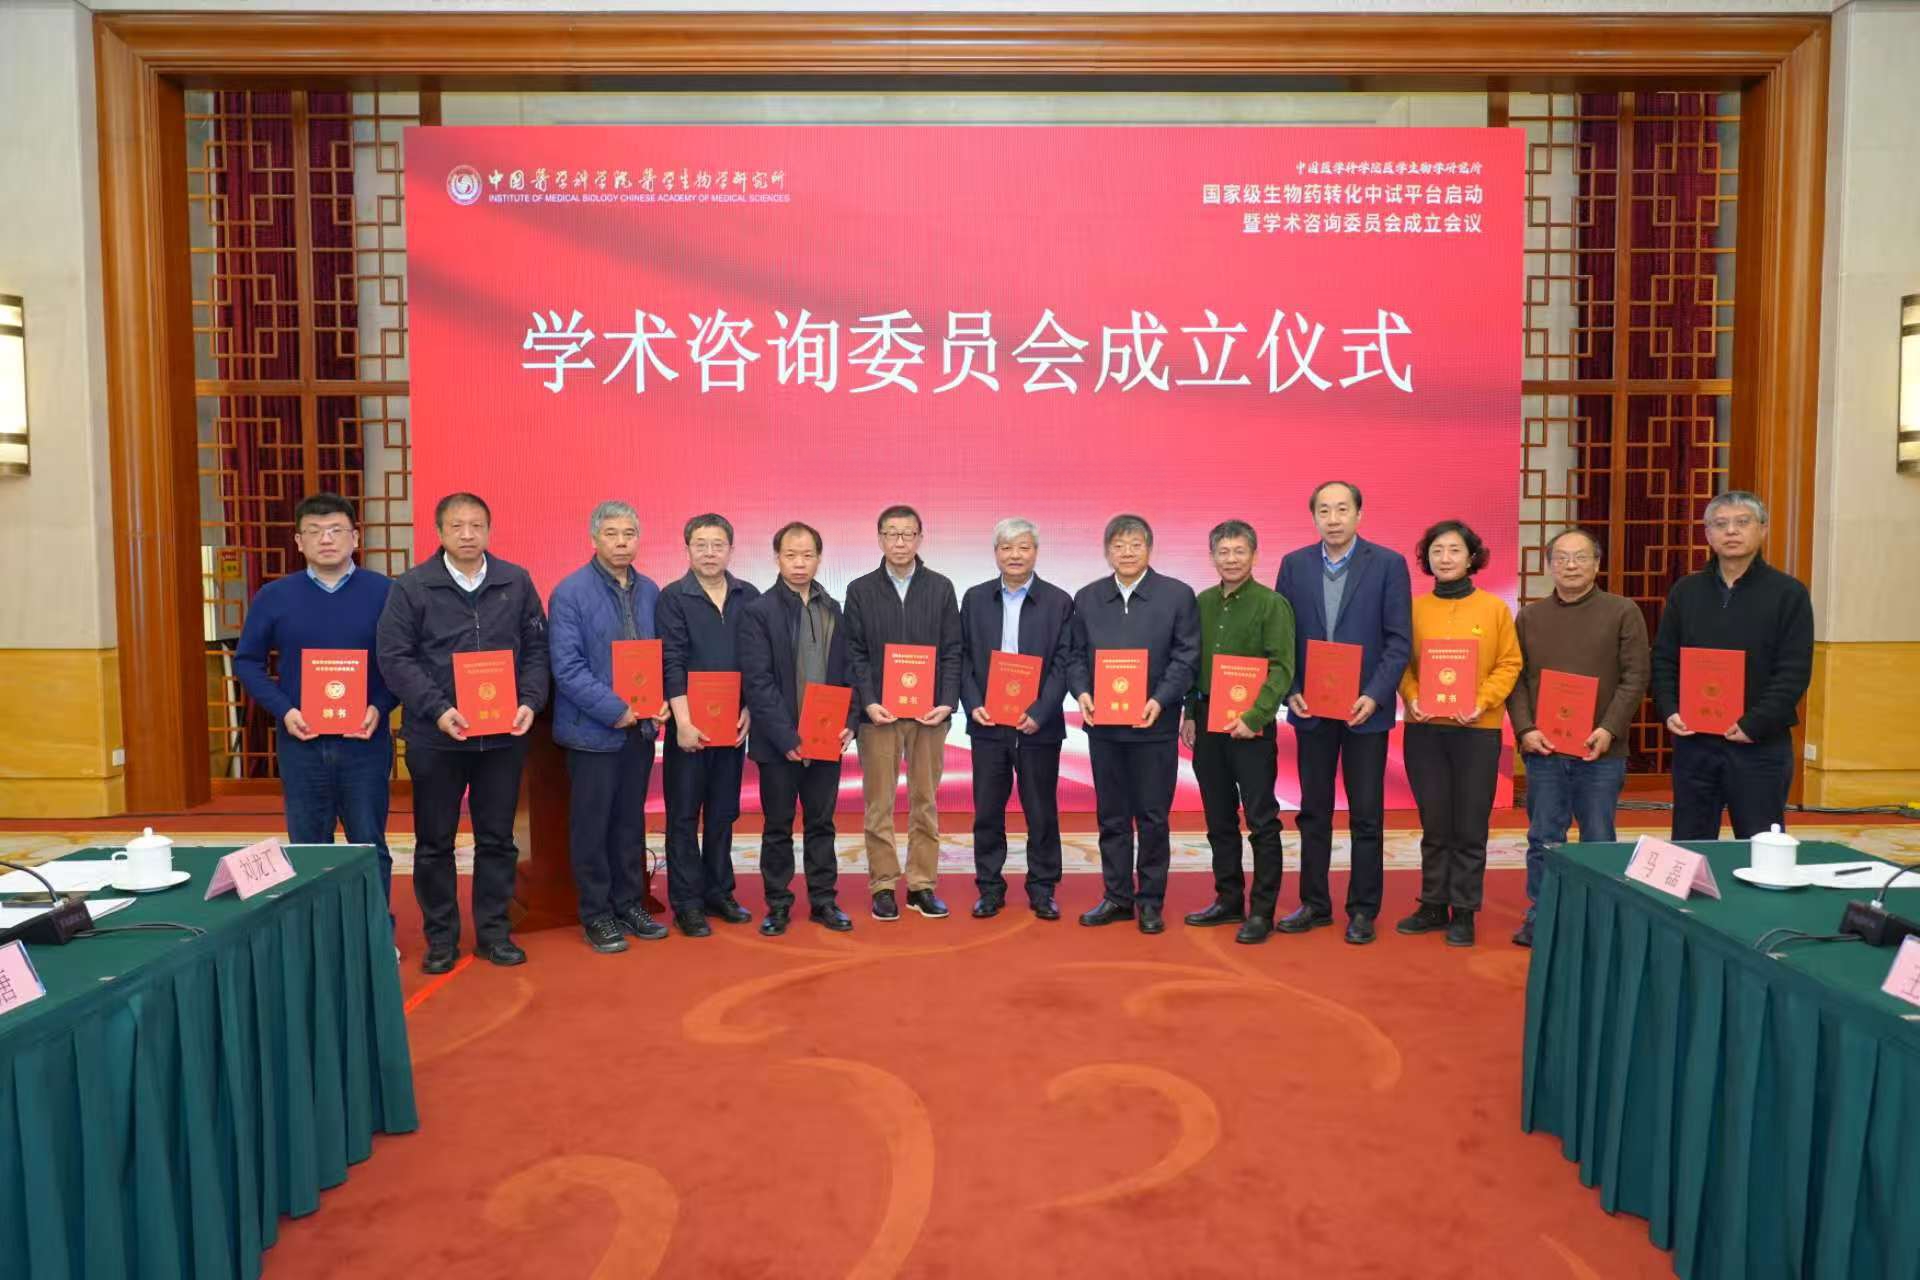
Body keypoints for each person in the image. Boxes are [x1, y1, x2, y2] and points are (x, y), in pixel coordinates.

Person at [376, 492, 549, 973]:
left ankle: (494, 933)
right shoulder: (412, 586)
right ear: (440, 532)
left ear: (489, 530)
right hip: (437, 737)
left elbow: (538, 648)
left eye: (476, 526)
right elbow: (395, 657)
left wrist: (530, 700)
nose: (468, 534)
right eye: (457, 526)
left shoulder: (515, 580)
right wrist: (438, 709)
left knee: (498, 840)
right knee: (435, 842)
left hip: (502, 737)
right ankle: (441, 938)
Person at [233, 493, 400, 948]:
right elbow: (247, 661)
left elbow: (403, 660)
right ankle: (316, 942)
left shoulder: (385, 593)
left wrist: (379, 706)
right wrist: (284, 709)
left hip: (364, 743)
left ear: (355, 537)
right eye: (314, 531)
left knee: (369, 845)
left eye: (336, 530)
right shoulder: (275, 596)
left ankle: (375, 936)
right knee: (308, 847)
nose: (326, 539)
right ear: (298, 541)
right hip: (301, 742)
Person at [1273, 480, 1412, 945]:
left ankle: (1363, 909)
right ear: (1314, 517)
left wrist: (1375, 695)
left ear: (1359, 514)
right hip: (1311, 708)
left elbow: (1398, 641)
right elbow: (1281, 637)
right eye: (1324, 511)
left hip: (1364, 712)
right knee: (1313, 811)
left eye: (1342, 510)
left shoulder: (1388, 565)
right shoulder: (1294, 565)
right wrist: (1290, 689)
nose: (1333, 519)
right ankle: (1314, 903)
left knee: (1366, 814)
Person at [1505, 528, 1649, 948]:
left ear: (1596, 564)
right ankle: (1543, 913)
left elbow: (1635, 677)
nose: (1571, 565)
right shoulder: (1530, 617)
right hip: (1544, 750)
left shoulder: (1622, 611)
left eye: (1580, 557)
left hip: (1601, 751)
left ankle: (1599, 920)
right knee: (1543, 838)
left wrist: (1608, 729)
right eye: (1562, 558)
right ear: (1549, 565)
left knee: (1598, 839)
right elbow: (1517, 680)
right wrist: (1526, 729)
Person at [1651, 490, 1814, 841]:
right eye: (1720, 524)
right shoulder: (1686, 591)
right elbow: (1664, 659)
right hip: (1695, 741)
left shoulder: (1788, 593)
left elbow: (1794, 672)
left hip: (1759, 743)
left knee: (1760, 843)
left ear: (1762, 529)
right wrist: (1670, 709)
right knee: (1690, 840)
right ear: (1708, 534)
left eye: (1742, 522)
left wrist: (1754, 724)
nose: (1731, 531)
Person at [547, 500, 672, 955]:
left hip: (639, 732)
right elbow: (567, 666)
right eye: (612, 534)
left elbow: (660, 656)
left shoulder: (651, 590)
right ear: (594, 539)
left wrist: (661, 701)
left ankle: (630, 903)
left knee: (628, 824)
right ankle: (596, 913)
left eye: (629, 534)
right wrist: (615, 709)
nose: (622, 543)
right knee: (592, 826)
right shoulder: (570, 593)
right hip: (592, 732)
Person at [1068, 514, 1200, 934]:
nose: (1127, 552)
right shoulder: (1088, 598)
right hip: (1104, 728)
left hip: (1154, 728)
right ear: (1107, 551)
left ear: (1149, 549)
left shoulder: (1176, 595)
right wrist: (1081, 692)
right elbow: (1074, 656)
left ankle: (1151, 901)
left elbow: (1186, 657)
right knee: (1112, 816)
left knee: (1152, 816)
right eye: (1118, 545)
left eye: (1135, 544)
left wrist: (1160, 700)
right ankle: (1117, 896)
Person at [1392, 520, 1522, 948]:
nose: (1445, 558)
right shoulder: (1413, 609)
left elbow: (1510, 663)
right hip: (1425, 731)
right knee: (1434, 822)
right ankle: (1432, 903)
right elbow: (1401, 663)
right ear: (1426, 559)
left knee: (1469, 824)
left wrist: (1482, 701)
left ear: (1471, 558)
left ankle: (1464, 910)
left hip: (1477, 731)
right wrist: (1412, 697)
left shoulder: (1494, 609)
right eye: (1437, 551)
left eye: (1454, 550)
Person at [738, 521, 861, 936]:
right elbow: (757, 682)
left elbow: (849, 671)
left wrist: (850, 722)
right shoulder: (759, 611)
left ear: (819, 559)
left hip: (827, 739)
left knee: (822, 824)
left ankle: (824, 901)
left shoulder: (833, 608)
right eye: (790, 555)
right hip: (779, 744)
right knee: (778, 826)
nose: (799, 563)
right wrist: (786, 737)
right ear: (777, 558)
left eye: (807, 555)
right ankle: (778, 904)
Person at [844, 504, 964, 922]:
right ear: (880, 539)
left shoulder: (941, 588)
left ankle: (921, 884)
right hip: (879, 716)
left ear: (920, 538)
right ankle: (882, 884)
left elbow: (953, 650)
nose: (900, 542)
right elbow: (855, 653)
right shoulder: (860, 590)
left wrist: (946, 702)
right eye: (891, 534)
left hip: (929, 716)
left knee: (924, 801)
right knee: (878, 804)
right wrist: (868, 701)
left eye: (908, 534)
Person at [1180, 520, 1296, 944]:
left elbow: (1282, 667)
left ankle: (1262, 910)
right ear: (1212, 556)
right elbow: (1191, 663)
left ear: (1254, 555)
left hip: (1252, 727)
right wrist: (1190, 712)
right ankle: (1228, 899)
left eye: (1239, 551)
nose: (1231, 559)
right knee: (1219, 818)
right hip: (1207, 721)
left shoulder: (1272, 604)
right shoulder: (1201, 603)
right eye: (1223, 552)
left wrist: (1256, 716)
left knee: (1262, 820)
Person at [958, 518, 1076, 920]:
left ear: (1035, 552)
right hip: (988, 724)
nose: (1015, 555)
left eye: (1023, 547)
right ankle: (989, 887)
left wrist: (1041, 711)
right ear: (996, 553)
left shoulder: (1059, 601)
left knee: (1041, 811)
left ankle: (1042, 888)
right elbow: (963, 657)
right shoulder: (975, 599)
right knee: (987, 811)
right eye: (1006, 548)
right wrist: (973, 702)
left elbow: (1064, 662)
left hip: (1038, 726)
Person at [657, 513, 759, 938]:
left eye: (718, 544)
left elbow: (757, 660)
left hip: (732, 726)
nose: (710, 552)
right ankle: (687, 903)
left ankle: (719, 892)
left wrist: (750, 708)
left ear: (731, 549)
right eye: (701, 544)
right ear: (688, 549)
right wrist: (682, 722)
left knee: (722, 813)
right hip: (689, 728)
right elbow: (671, 661)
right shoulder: (673, 597)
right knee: (684, 816)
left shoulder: (748, 595)